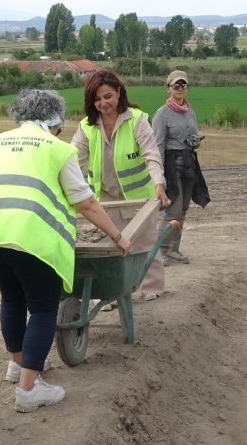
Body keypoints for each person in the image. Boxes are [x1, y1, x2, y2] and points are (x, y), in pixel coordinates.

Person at [0, 89, 131, 412]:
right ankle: (29, 390)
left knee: (12, 299)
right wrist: (118, 237)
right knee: (43, 309)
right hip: (29, 236)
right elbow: (84, 201)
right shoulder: (57, 148)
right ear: (55, 120)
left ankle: (18, 366)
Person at [71, 70, 170, 305]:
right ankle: (114, 291)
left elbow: (151, 154)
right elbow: (73, 158)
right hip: (106, 194)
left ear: (118, 92)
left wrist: (159, 183)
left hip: (139, 194)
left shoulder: (136, 119)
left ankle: (151, 287)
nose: (103, 103)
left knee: (145, 242)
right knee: (114, 244)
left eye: (107, 96)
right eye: (97, 99)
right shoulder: (87, 127)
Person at [152, 70, 210, 266]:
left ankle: (174, 249)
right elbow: (157, 145)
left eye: (183, 85)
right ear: (168, 88)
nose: (180, 89)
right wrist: (159, 174)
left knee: (183, 208)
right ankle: (160, 252)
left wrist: (194, 142)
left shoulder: (190, 112)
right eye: (176, 85)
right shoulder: (162, 114)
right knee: (172, 210)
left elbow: (190, 135)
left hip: (188, 161)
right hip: (171, 163)